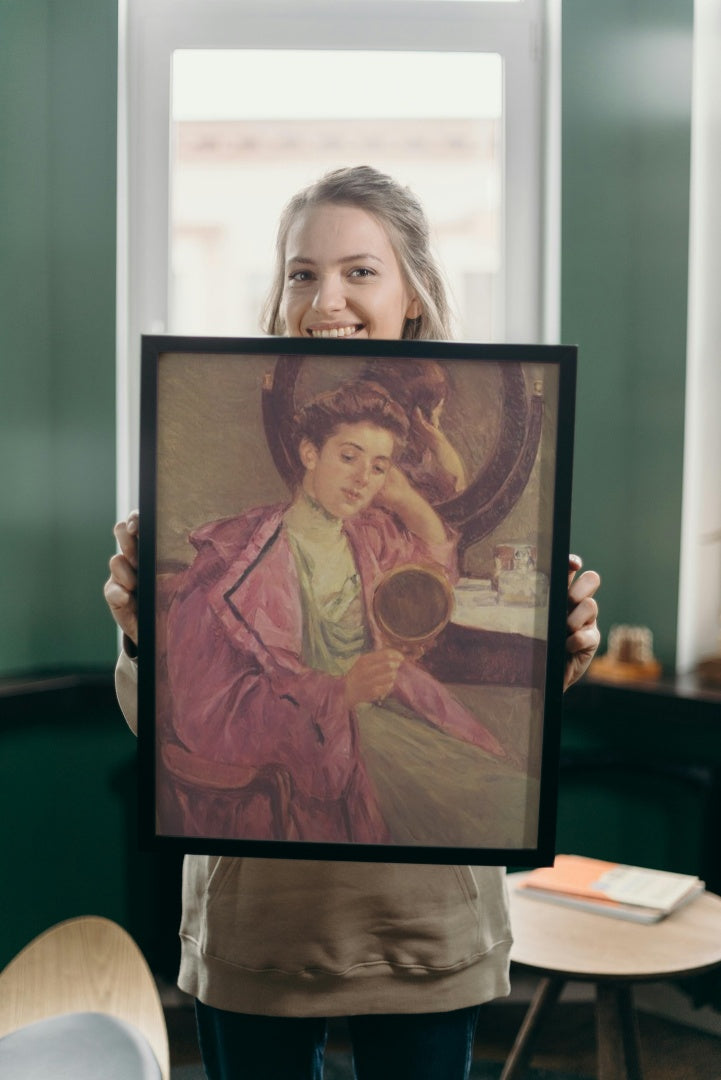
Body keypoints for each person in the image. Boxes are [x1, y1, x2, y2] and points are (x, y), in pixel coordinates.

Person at [106, 165, 601, 1080]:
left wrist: (560, 655)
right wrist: (143, 639)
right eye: (301, 272)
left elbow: (433, 583)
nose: (324, 297)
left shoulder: (380, 530)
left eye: (359, 271)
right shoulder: (229, 555)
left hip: (420, 921)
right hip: (264, 920)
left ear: (412, 292)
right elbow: (176, 726)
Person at [159, 378, 512, 846]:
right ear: (310, 453)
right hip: (312, 753)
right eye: (349, 457)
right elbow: (206, 713)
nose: (364, 478)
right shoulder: (232, 561)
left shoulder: (368, 538)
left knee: (501, 796)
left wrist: (405, 498)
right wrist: (340, 693)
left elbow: (433, 576)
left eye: (379, 467)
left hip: (385, 722)